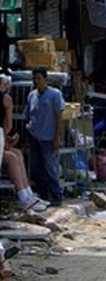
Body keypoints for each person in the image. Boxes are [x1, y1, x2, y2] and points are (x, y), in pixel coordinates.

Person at [0, 76, 45, 211]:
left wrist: (7, 140)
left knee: (17, 153)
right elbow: (8, 125)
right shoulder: (6, 100)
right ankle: (22, 196)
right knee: (12, 158)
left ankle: (28, 193)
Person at [23, 68, 63, 206]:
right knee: (36, 168)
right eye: (34, 79)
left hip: (49, 137)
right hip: (35, 136)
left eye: (38, 78)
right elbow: (28, 115)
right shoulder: (32, 95)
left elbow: (59, 117)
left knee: (50, 168)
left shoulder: (55, 95)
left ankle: (57, 196)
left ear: (45, 79)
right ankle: (43, 195)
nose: (36, 81)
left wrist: (57, 137)